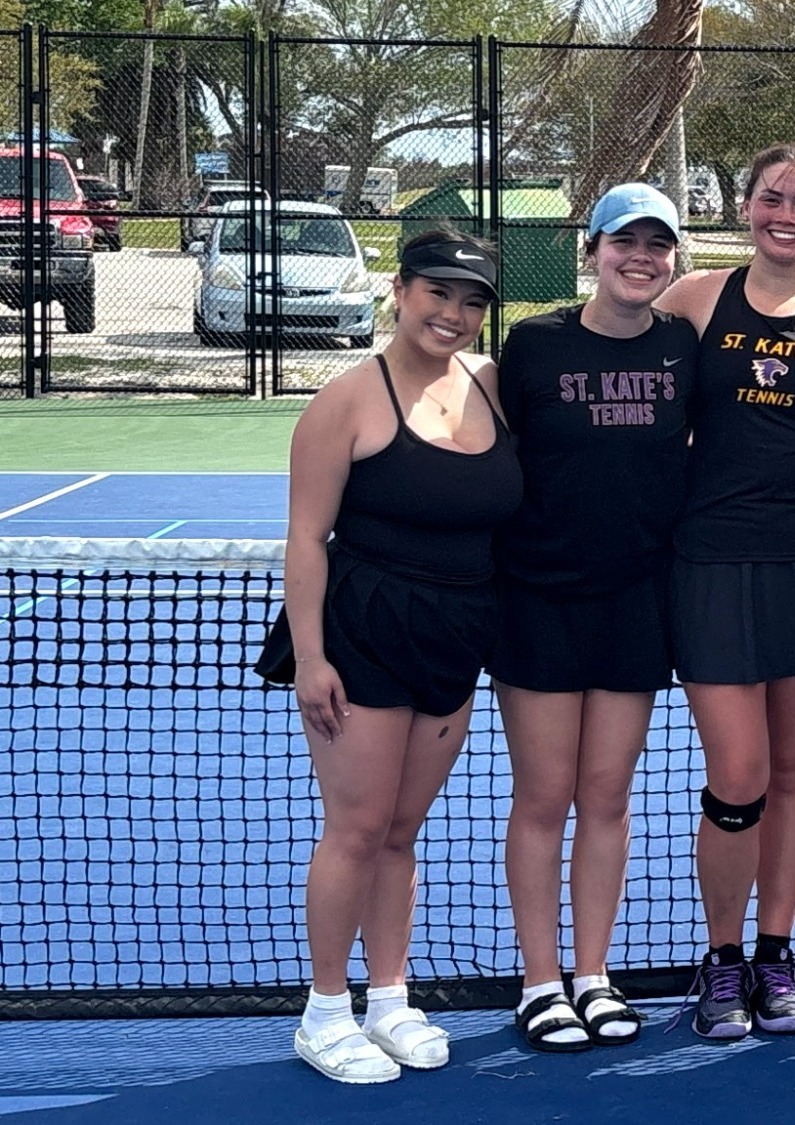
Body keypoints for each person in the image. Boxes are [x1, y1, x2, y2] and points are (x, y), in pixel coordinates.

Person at [273, 229, 516, 1083]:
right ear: (401, 290)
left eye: (472, 300)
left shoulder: (492, 388)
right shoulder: (345, 401)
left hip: (457, 634)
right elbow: (306, 540)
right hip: (362, 635)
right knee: (357, 827)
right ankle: (325, 1010)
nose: (452, 313)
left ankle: (388, 998)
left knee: (402, 831)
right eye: (438, 292)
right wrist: (311, 657)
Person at [656, 141, 795, 1040]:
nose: (785, 215)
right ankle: (721, 959)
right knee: (738, 772)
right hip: (710, 563)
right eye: (771, 198)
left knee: (793, 770)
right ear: (746, 203)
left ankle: (776, 953)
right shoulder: (695, 299)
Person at [491, 184, 697, 1052]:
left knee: (607, 797)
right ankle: (541, 982)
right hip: (535, 603)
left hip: (635, 605)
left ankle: (594, 975)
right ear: (594, 249)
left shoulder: (682, 349)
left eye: (658, 244)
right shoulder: (532, 345)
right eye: (625, 242)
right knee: (544, 796)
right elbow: (482, 456)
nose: (641, 257)